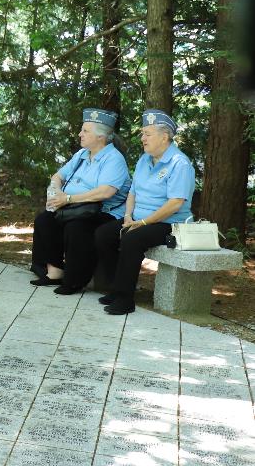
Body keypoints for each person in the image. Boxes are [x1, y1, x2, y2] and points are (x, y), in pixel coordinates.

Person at [94, 110, 195, 315]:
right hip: (139, 219)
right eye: (142, 134)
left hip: (170, 223)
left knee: (132, 240)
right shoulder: (144, 159)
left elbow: (175, 204)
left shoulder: (179, 163)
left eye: (147, 134)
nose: (142, 138)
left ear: (164, 137)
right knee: (103, 235)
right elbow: (132, 191)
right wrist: (128, 216)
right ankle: (115, 288)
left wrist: (144, 223)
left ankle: (125, 299)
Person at [30, 109, 131, 294]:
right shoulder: (82, 154)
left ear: (101, 137)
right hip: (75, 206)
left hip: (103, 212)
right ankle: (55, 271)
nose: (80, 134)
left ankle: (75, 281)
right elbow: (58, 175)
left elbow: (105, 192)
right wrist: (55, 192)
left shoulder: (114, 159)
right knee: (44, 220)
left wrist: (67, 198)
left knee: (76, 227)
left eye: (85, 131)